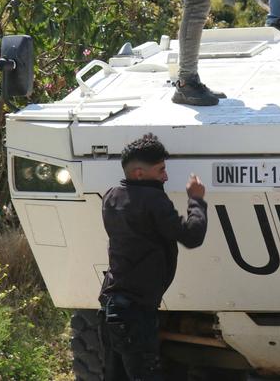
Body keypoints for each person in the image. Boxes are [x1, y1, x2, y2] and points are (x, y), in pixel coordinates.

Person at [99, 133, 208, 381]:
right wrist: (196, 200)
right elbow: (192, 236)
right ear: (139, 173)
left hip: (111, 306)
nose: (165, 176)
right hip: (135, 313)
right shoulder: (153, 200)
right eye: (161, 170)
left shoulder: (111, 196)